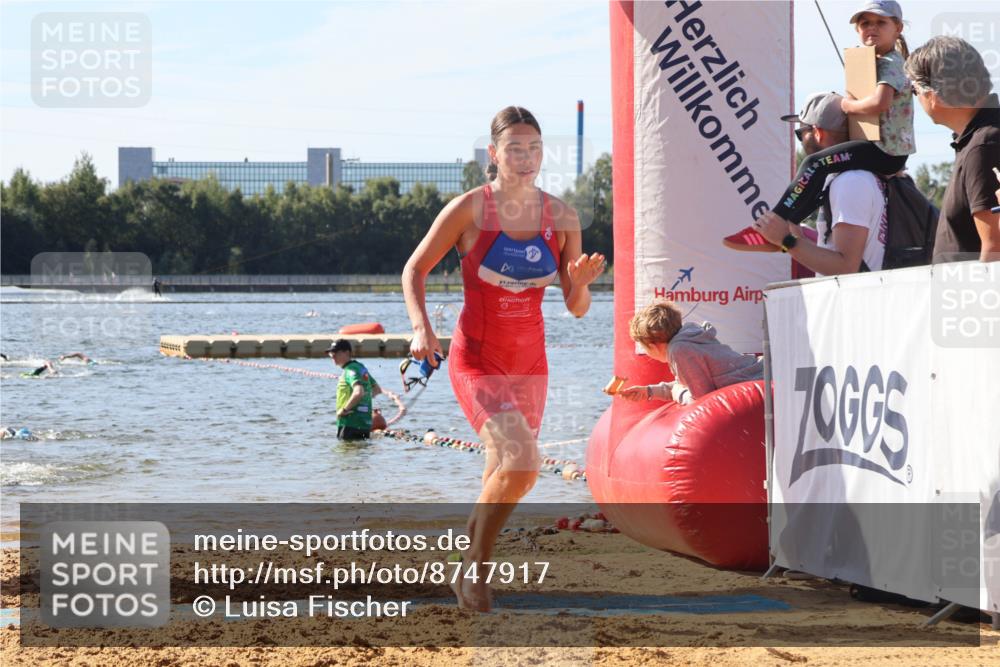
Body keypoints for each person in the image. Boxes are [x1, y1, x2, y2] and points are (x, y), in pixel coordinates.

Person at [402, 106, 605, 611]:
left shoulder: (561, 217)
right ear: (493, 154)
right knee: (523, 463)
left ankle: (467, 571)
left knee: (503, 474)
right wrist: (421, 327)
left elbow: (576, 309)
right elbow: (414, 270)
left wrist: (578, 285)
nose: (526, 157)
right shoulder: (470, 209)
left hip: (531, 366)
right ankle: (476, 575)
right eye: (514, 148)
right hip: (477, 358)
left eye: (534, 147)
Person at [725, 0, 913, 251]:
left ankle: (773, 224)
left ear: (898, 28)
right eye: (865, 23)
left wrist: (846, 106)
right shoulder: (873, 61)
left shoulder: (890, 62)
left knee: (814, 163)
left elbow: (880, 102)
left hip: (886, 152)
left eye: (881, 22)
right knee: (821, 174)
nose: (872, 28)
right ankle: (786, 229)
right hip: (883, 150)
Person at [753, 92, 890, 275]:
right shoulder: (854, 178)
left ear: (817, 132)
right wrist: (793, 241)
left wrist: (786, 241)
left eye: (800, 134)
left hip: (853, 301)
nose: (801, 141)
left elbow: (846, 267)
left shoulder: (850, 182)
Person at [905, 36, 1000, 262]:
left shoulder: (985, 144)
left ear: (933, 95)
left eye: (913, 90)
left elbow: (995, 247)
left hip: (974, 295)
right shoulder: (980, 140)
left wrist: (975, 297)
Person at [619, 300, 763, 405]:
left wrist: (676, 392)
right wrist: (649, 391)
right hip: (763, 373)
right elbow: (687, 385)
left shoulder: (679, 350)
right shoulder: (687, 339)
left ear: (653, 346)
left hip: (762, 382)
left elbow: (701, 400)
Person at [328, 339, 382, 440]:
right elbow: (376, 390)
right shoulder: (361, 368)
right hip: (364, 424)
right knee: (361, 453)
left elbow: (358, 392)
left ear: (347, 353)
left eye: (336, 353)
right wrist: (363, 406)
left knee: (345, 453)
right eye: (331, 353)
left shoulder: (349, 370)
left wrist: (344, 410)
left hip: (349, 423)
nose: (332, 355)